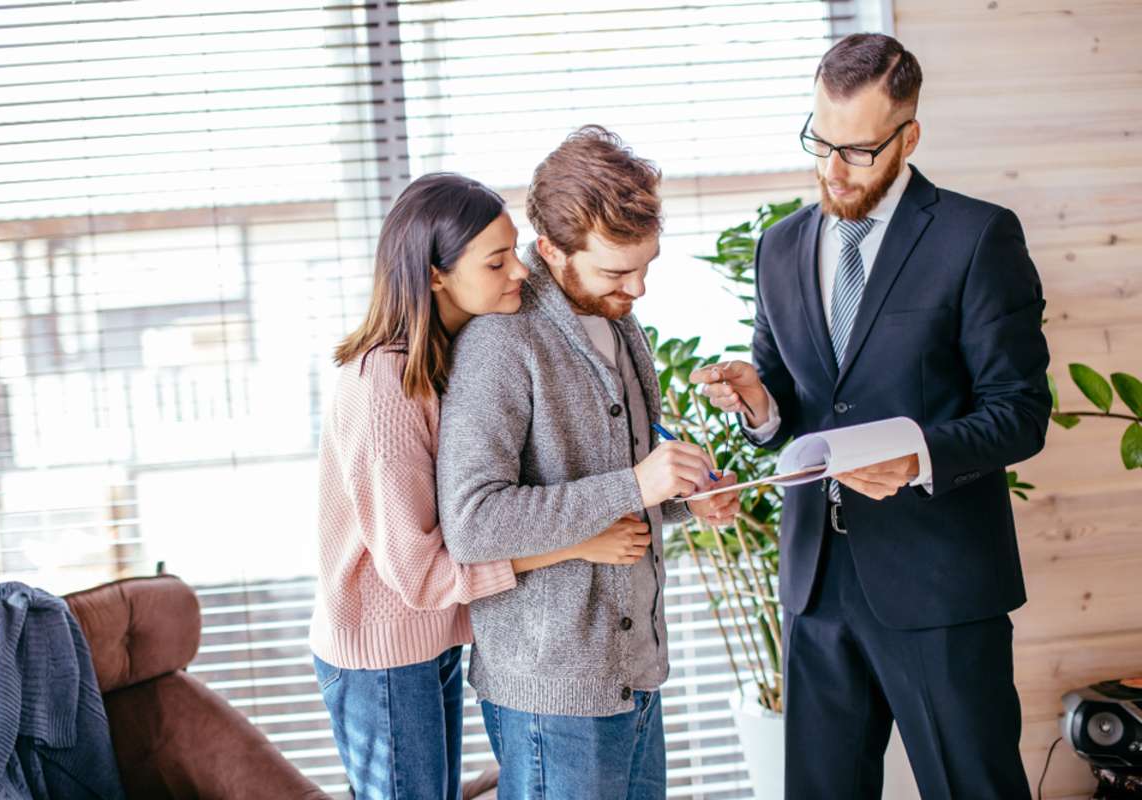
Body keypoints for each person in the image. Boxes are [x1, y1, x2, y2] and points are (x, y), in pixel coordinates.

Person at [691, 33, 1050, 799]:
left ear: (907, 136)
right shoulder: (779, 247)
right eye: (819, 142)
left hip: (939, 583)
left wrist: (917, 456)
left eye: (855, 150)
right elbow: (792, 401)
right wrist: (759, 404)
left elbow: (1020, 412)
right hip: (815, 583)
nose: (831, 169)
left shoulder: (977, 237)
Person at [308, 173, 656, 800]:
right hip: (381, 653)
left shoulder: (448, 351)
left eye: (515, 251)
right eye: (496, 262)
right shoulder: (384, 386)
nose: (520, 272)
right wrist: (576, 544)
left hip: (434, 634)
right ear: (435, 274)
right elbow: (419, 575)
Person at [436, 127, 741, 800]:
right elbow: (473, 522)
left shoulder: (621, 321)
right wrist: (637, 483)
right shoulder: (500, 343)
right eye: (615, 271)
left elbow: (627, 481)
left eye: (646, 265)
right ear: (549, 249)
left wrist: (689, 498)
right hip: (551, 693)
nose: (637, 289)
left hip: (633, 675)